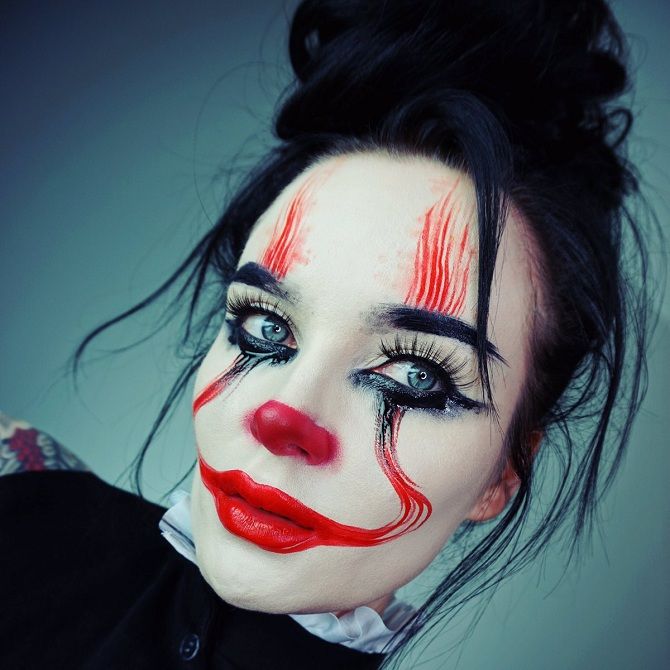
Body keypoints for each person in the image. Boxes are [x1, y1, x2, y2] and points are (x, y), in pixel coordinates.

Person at [0, 1, 657, 668]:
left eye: (416, 377)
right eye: (265, 327)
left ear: (502, 474)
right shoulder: (21, 504)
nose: (281, 417)